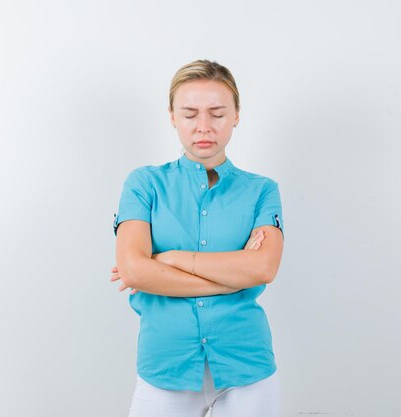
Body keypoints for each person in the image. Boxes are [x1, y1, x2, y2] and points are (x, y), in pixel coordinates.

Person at [110, 59, 285, 417]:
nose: (204, 127)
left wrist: (170, 259)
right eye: (190, 114)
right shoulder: (144, 184)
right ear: (172, 116)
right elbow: (134, 271)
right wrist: (233, 277)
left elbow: (264, 268)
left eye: (218, 113)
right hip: (165, 366)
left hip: (246, 367)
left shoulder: (261, 191)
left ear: (236, 115)